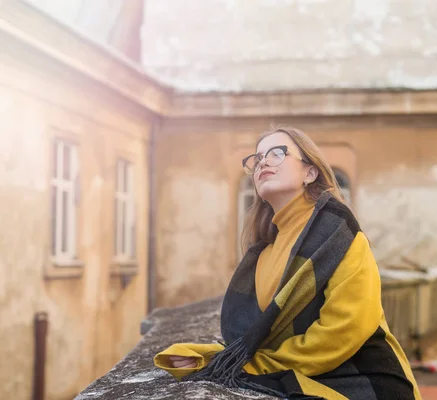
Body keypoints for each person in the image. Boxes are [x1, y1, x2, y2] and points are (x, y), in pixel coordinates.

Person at [154, 126, 421, 400]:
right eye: (257, 159)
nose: (263, 162)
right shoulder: (264, 251)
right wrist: (208, 358)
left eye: (277, 153)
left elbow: (344, 330)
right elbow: (258, 341)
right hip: (301, 373)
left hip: (367, 378)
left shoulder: (338, 232)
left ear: (310, 172)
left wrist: (243, 366)